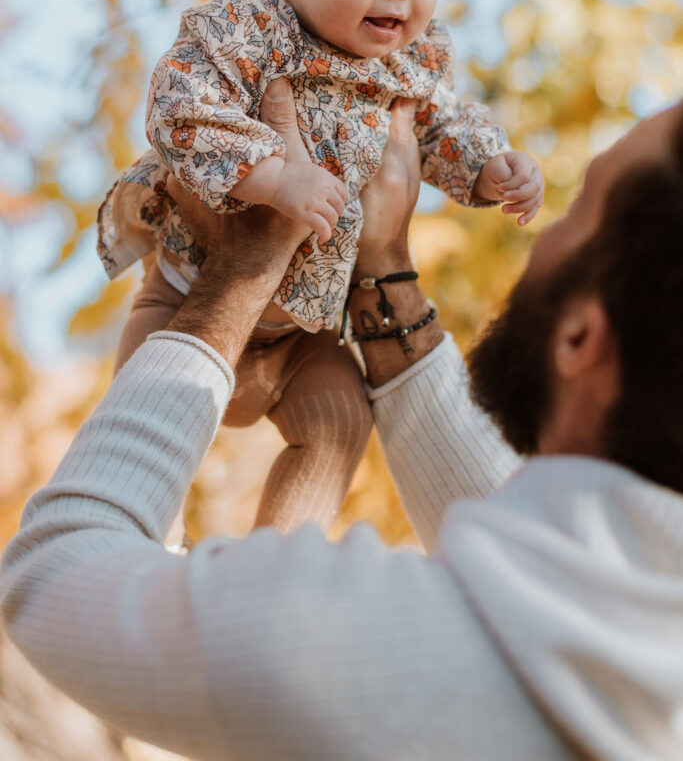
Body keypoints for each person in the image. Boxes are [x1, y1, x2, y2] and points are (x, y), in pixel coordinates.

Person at [3, 87, 682, 761]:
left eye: (576, 209)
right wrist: (379, 262)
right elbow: (537, 565)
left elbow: (55, 571)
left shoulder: (382, 650)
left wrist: (244, 268)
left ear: (580, 336)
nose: (545, 239)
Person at [96, 0, 543, 533]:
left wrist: (490, 167)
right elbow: (180, 108)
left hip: (303, 333)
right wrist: (272, 177)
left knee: (338, 426)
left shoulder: (413, 62)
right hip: (184, 300)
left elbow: (439, 127)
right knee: (150, 425)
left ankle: (272, 569)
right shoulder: (246, 31)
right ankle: (155, 545)